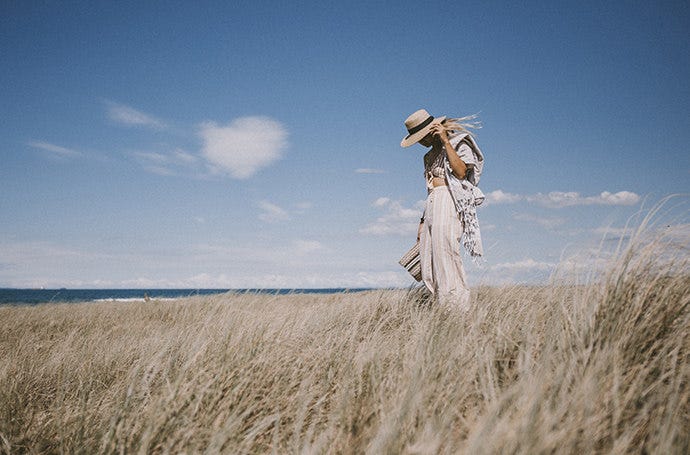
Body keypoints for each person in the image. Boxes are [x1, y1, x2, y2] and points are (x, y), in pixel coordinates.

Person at [401, 109, 485, 310]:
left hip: (449, 200)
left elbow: (461, 172)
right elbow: (429, 189)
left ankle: (456, 308)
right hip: (432, 204)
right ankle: (442, 305)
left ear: (432, 130)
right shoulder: (428, 156)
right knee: (430, 261)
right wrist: (421, 223)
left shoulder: (458, 143)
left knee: (446, 254)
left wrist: (446, 141)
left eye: (421, 137)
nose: (420, 142)